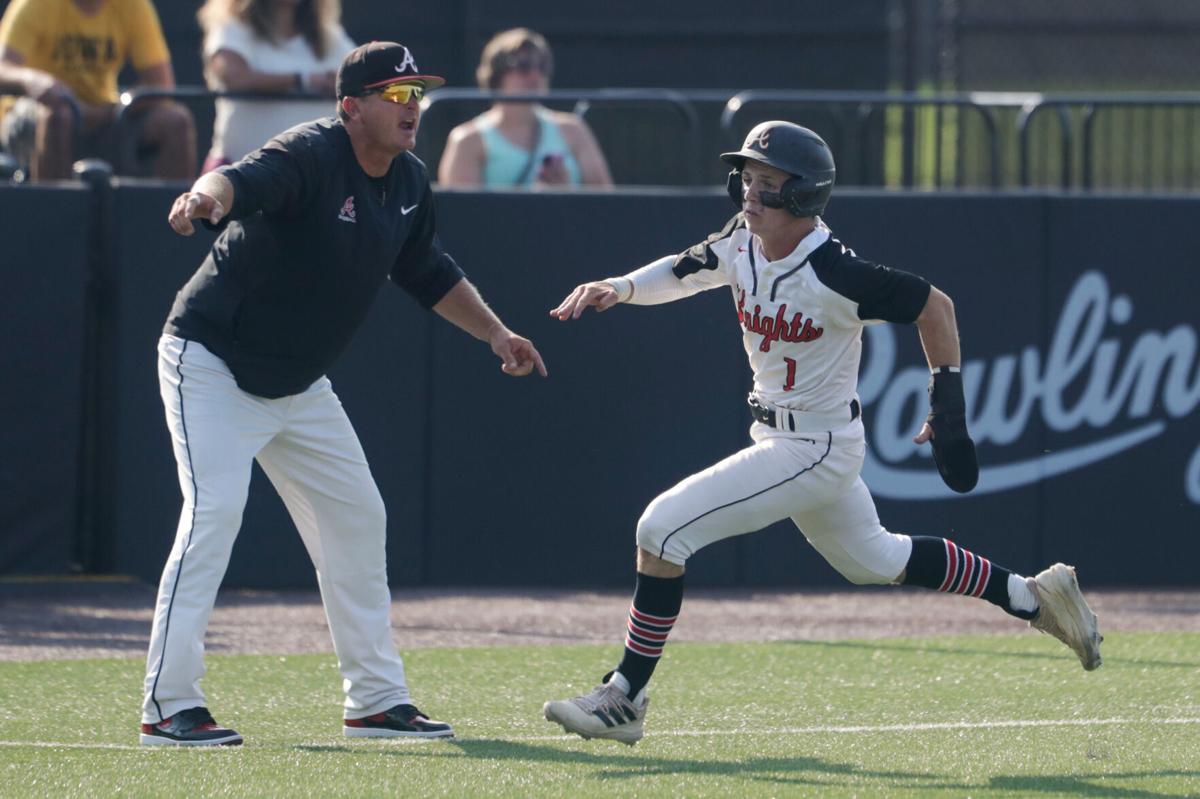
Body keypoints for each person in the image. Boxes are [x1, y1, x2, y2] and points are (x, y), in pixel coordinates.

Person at [542, 121, 1102, 745]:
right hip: (789, 440)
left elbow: (934, 306)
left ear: (805, 196)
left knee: (661, 529)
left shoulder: (835, 272)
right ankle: (1030, 595)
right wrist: (619, 287)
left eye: (769, 183)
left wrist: (947, 403)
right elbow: (682, 271)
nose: (750, 194)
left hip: (815, 447)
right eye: (747, 178)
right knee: (878, 560)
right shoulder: (741, 241)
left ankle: (625, 695)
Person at [140, 41, 547, 746]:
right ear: (351, 107)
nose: (412, 106)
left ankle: (376, 700)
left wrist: (495, 332)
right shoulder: (310, 152)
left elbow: (428, 271)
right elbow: (241, 180)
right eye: (395, 95)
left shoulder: (411, 180)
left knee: (358, 516)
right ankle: (167, 704)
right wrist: (203, 197)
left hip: (296, 385)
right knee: (215, 512)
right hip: (211, 360)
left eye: (416, 92)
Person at [0, 0, 195, 181]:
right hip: (38, 115)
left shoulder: (134, 6)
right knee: (58, 116)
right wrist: (32, 81)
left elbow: (161, 85)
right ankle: (52, 213)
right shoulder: (35, 4)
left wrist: (107, 111)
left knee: (176, 121)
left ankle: (176, 215)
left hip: (105, 115)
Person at [437, 28, 611, 189]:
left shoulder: (574, 131)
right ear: (496, 74)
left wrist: (565, 195)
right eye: (523, 66)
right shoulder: (468, 141)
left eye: (542, 66)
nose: (535, 75)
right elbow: (462, 215)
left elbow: (607, 206)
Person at [197, 0, 356, 172]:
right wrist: (303, 80)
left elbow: (363, 75)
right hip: (238, 174)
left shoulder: (330, 35)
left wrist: (343, 84)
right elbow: (234, 77)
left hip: (314, 177)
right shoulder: (232, 29)